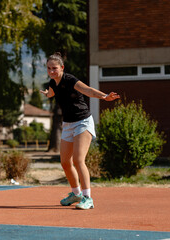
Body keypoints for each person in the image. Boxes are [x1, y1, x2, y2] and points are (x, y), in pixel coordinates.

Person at [40, 52, 119, 210]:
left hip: (82, 121)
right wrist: (48, 94)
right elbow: (52, 92)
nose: (51, 71)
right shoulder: (53, 82)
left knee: (78, 160)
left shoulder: (70, 80)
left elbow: (88, 90)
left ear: (62, 67)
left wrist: (104, 97)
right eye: (49, 68)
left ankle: (88, 198)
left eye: (54, 68)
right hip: (68, 124)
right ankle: (76, 194)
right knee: (65, 162)